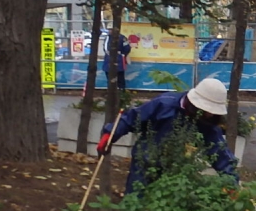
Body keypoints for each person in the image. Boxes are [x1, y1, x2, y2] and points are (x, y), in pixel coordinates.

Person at [99, 76, 235, 194]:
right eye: (206, 110)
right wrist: (110, 134)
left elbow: (219, 151)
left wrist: (231, 180)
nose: (210, 114)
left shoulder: (207, 123)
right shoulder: (164, 104)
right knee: (136, 198)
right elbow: (132, 118)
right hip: (145, 163)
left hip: (176, 170)